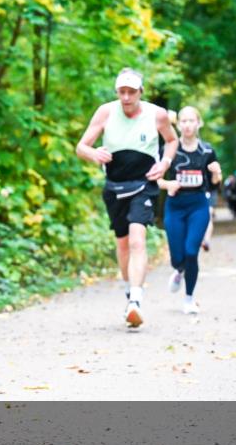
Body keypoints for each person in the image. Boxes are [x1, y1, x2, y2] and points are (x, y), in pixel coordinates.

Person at [76, 68, 178, 328]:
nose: (126, 97)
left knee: (137, 240)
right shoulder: (106, 112)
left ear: (140, 93)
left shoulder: (157, 114)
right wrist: (94, 154)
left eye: (131, 92)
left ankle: (136, 300)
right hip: (115, 186)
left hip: (144, 184)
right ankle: (130, 289)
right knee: (122, 245)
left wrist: (165, 162)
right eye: (122, 91)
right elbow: (81, 146)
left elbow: (172, 140)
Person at [157, 106, 221, 314]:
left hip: (198, 206)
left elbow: (214, 185)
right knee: (177, 256)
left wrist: (216, 174)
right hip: (175, 206)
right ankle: (179, 270)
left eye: (191, 120)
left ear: (198, 123)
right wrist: (168, 185)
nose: (187, 125)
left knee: (191, 251)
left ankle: (189, 298)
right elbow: (154, 179)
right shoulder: (170, 150)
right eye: (183, 121)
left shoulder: (207, 151)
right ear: (178, 124)